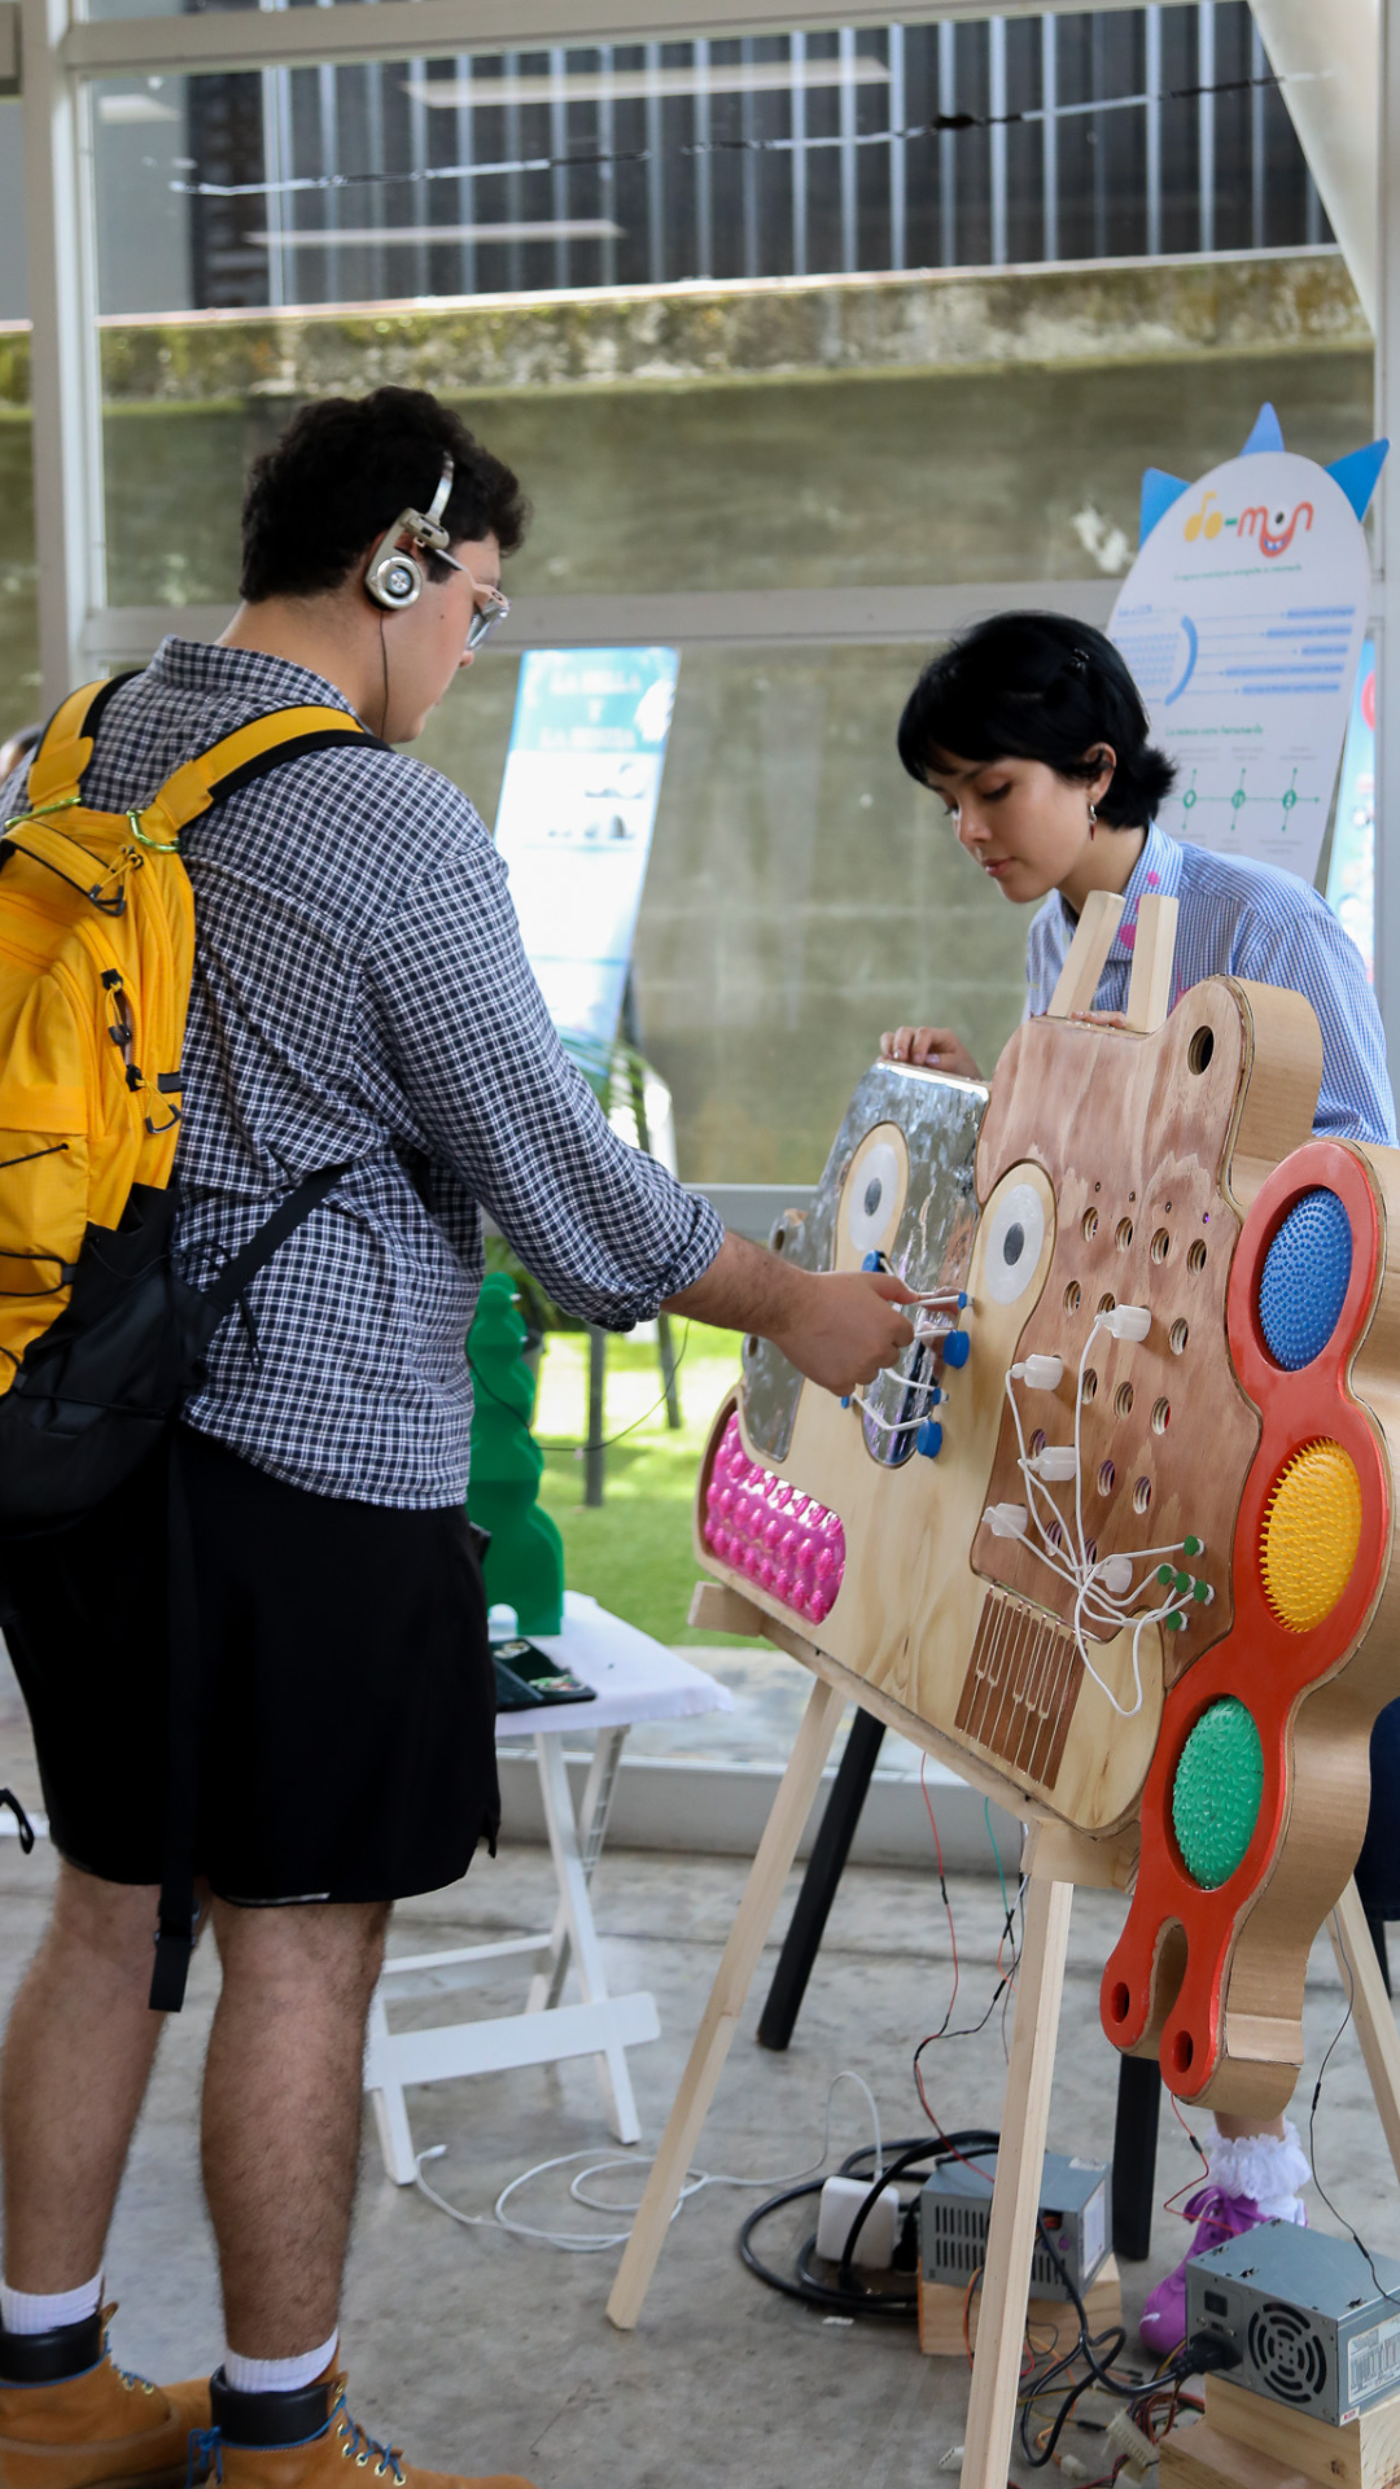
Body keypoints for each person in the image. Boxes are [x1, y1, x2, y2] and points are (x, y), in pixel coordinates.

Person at [0, 386, 917, 2489]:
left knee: (110, 1898)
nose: (470, 652)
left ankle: (41, 2389)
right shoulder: (379, 822)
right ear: (397, 570)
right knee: (301, 1938)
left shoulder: (62, 748)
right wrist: (796, 1300)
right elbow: (560, 1181)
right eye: (477, 605)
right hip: (305, 1468)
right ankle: (285, 2439)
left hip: (69, 1443)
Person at [881, 608, 1397, 2356]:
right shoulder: (1061, 935)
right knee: (1095, 1778)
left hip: (1258, 1464)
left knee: (1232, 1819)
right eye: (950, 797)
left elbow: (1367, 1198)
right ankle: (1194, 2183)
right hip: (1118, 1454)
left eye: (994, 787)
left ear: (1100, 767)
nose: (973, 825)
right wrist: (982, 1119)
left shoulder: (1268, 927)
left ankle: (1254, 2196)